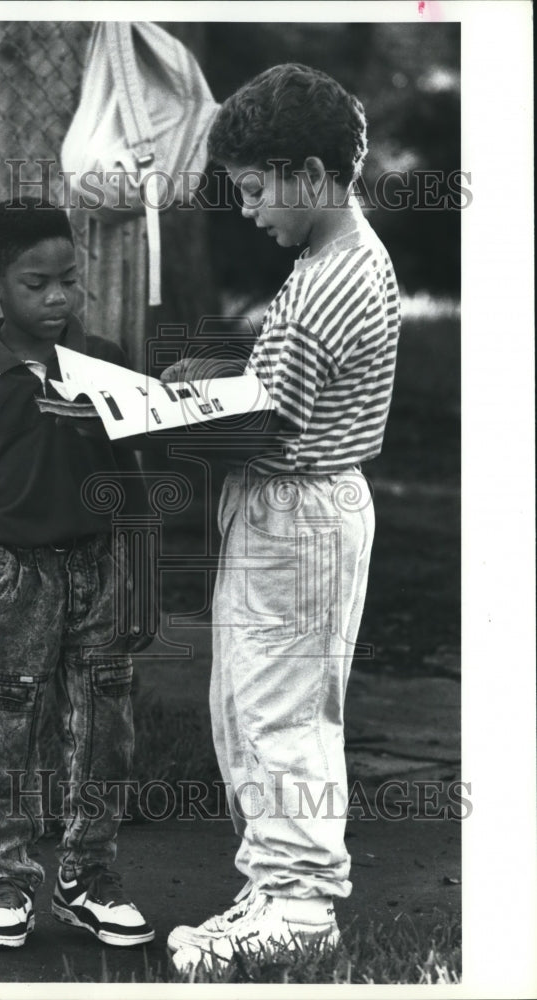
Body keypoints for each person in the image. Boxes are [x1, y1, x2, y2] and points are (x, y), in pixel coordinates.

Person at [163, 64, 401, 972]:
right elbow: (276, 397)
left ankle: (299, 905)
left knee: (278, 711)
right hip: (291, 507)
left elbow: (265, 428)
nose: (250, 211)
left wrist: (150, 421)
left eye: (257, 190)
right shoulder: (333, 256)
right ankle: (276, 884)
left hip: (295, 515)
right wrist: (208, 391)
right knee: (252, 702)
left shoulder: (330, 281)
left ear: (308, 171)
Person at [0, 197, 154, 949]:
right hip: (8, 578)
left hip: (99, 567)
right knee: (3, 730)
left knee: (105, 730)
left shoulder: (107, 364)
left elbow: (134, 477)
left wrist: (144, 580)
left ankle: (87, 875)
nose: (57, 298)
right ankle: (5, 877)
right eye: (36, 283)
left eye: (68, 281)